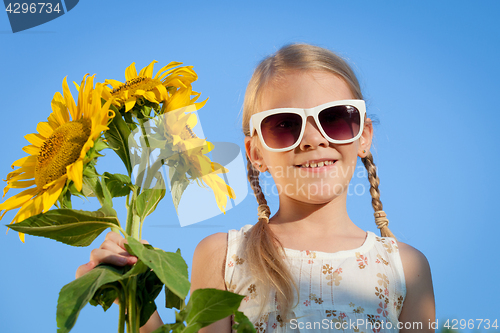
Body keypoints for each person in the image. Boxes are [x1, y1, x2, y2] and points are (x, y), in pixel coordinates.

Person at [77, 43, 435, 333]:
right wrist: (136, 295)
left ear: (363, 137)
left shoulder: (405, 267)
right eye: (284, 125)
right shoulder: (225, 255)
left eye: (336, 119)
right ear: (256, 153)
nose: (312, 139)